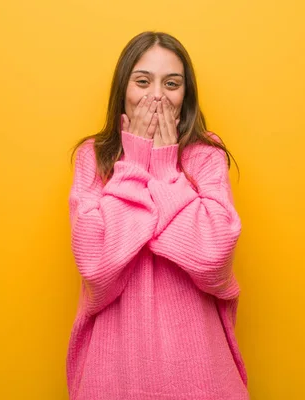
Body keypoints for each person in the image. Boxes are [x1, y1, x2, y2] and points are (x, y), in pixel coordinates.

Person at [66, 31, 248, 400]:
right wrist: (133, 164)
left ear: (186, 96)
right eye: (143, 81)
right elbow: (98, 267)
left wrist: (165, 171)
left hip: (202, 377)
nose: (157, 96)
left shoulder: (206, 156)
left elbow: (213, 258)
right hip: (112, 377)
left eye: (172, 83)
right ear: (124, 89)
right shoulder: (93, 158)